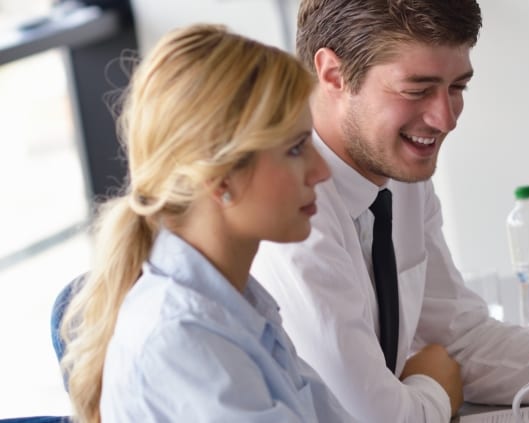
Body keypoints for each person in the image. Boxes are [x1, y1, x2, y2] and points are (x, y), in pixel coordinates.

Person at [250, 1, 529, 422]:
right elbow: (371, 418)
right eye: (418, 89)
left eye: (457, 86)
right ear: (332, 74)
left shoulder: (398, 172)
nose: (446, 119)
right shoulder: (291, 216)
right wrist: (434, 386)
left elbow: (460, 337)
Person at [57, 25, 351, 422]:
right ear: (220, 177)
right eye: (296, 148)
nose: (320, 171)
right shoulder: (181, 339)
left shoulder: (237, 299)